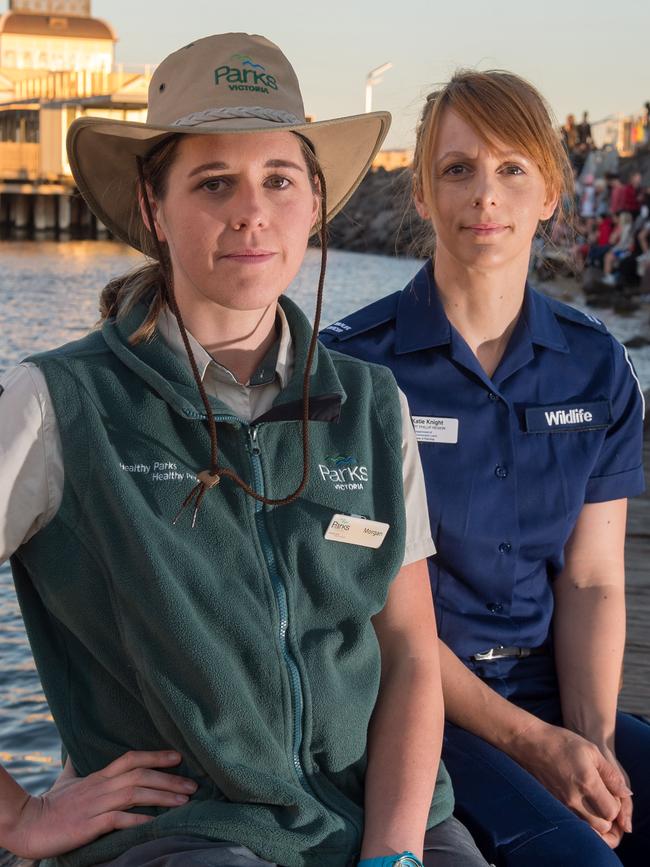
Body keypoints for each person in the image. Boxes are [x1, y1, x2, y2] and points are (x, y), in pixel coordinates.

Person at [0, 34, 489, 867]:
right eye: (213, 182)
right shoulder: (60, 402)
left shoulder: (370, 404)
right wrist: (17, 816)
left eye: (278, 180)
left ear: (314, 202)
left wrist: (397, 850)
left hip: (384, 817)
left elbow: (408, 649)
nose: (251, 211)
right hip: (188, 832)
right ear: (153, 208)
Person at [321, 69, 649, 866]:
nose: (485, 195)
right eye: (458, 169)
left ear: (549, 194)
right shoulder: (352, 369)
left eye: (511, 169)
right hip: (407, 703)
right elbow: (364, 607)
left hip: (546, 688)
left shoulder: (596, 365)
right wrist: (537, 746)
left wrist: (593, 742)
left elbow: (594, 579)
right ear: (425, 196)